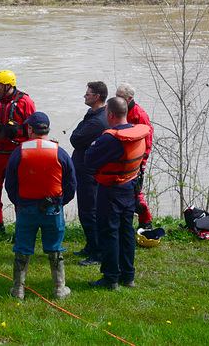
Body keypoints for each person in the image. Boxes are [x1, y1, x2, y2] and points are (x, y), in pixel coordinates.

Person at [5, 112, 77, 300]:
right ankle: (59, 289)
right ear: (47, 129)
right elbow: (71, 183)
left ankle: (18, 290)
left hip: (25, 208)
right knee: (55, 248)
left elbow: (10, 183)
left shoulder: (19, 152)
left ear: (30, 129)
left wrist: (19, 202)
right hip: (53, 210)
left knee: (22, 248)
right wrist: (61, 202)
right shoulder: (59, 152)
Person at [85, 97, 151, 290]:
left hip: (111, 190)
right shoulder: (137, 132)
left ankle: (111, 278)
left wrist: (94, 145)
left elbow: (89, 160)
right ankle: (128, 276)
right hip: (130, 187)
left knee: (109, 231)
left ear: (110, 115)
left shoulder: (109, 138)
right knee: (126, 230)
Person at [0, 70, 35, 234]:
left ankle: (21, 228)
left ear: (8, 85)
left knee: (19, 191)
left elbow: (33, 128)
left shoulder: (25, 102)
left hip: (17, 153)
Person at [69, 81, 110, 267]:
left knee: (89, 212)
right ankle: (90, 246)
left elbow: (75, 139)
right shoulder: (94, 114)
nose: (84, 96)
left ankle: (97, 253)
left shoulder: (97, 120)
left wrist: (77, 135)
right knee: (86, 211)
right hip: (84, 169)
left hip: (88, 172)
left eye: (88, 94)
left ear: (97, 97)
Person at [116, 83, 154, 229]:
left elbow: (147, 143)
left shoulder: (140, 115)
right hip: (120, 161)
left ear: (130, 98)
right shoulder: (118, 111)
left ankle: (146, 222)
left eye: (120, 96)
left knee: (136, 193)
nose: (116, 98)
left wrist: (141, 164)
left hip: (136, 163)